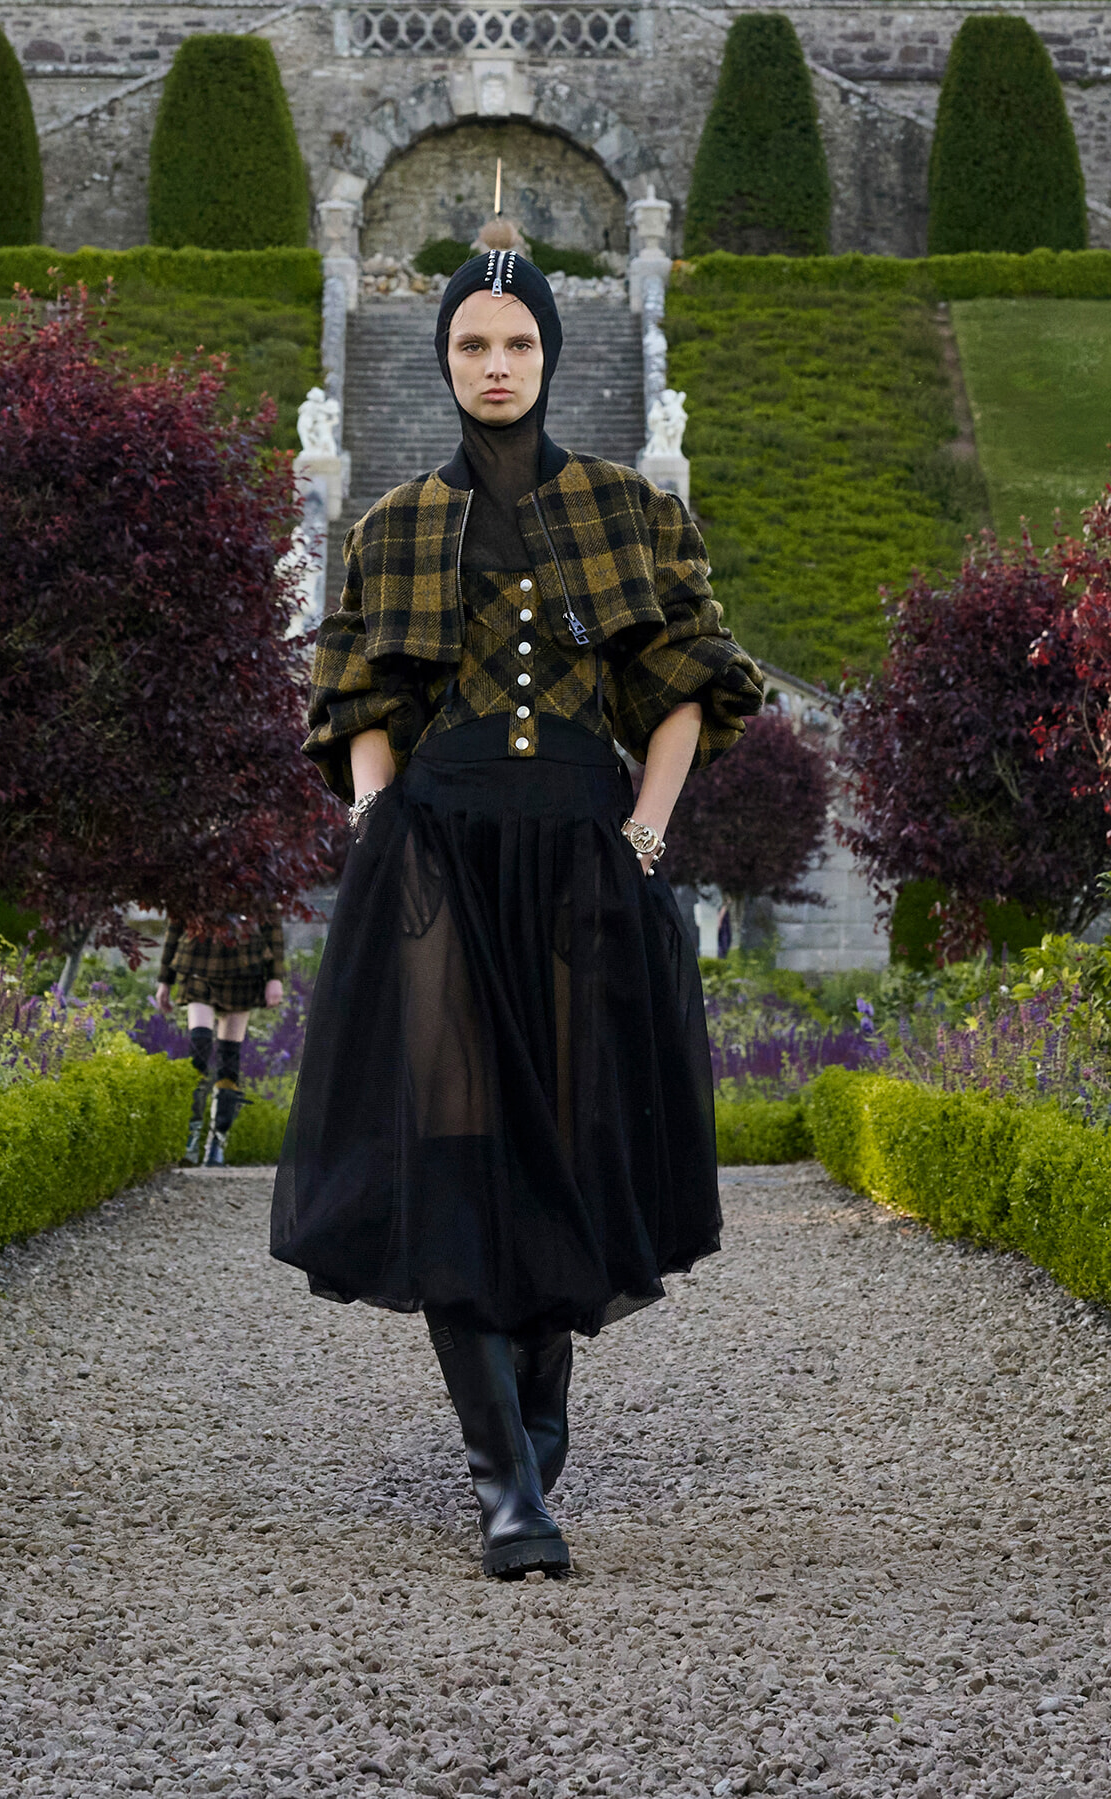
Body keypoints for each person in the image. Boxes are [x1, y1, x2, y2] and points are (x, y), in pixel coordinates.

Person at [271, 249, 764, 1578]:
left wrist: (650, 826)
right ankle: (507, 1484)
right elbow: (355, 698)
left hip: (585, 856)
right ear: (444, 358)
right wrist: (381, 822)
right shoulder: (389, 524)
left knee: (562, 1135)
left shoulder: (627, 510)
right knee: (456, 1138)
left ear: (551, 356)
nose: (496, 365)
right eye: (473, 344)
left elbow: (686, 683)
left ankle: (535, 1431)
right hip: (438, 858)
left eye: (518, 345)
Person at [155, 914, 284, 1165]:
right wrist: (164, 980)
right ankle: (189, 1137)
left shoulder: (257, 876)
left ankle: (217, 1141)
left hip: (243, 967)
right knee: (199, 1050)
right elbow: (176, 921)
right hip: (198, 964)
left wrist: (275, 977)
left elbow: (271, 925)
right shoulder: (193, 875)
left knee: (228, 1057)